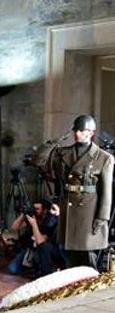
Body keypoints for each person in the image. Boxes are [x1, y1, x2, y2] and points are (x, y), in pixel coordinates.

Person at [46, 114, 114, 268]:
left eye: (82, 131)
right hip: (69, 210)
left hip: (89, 212)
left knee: (88, 259)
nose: (77, 134)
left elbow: (106, 192)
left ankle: (91, 291)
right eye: (76, 130)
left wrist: (102, 217)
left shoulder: (103, 158)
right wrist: (54, 142)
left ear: (91, 133)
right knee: (70, 259)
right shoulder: (62, 153)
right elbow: (40, 161)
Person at [7, 200, 61, 277]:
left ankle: (37, 268)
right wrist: (23, 214)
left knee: (41, 250)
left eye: (37, 209)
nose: (35, 211)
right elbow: (14, 228)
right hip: (30, 249)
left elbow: (40, 241)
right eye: (34, 208)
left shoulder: (50, 220)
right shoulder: (34, 216)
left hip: (43, 251)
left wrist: (34, 224)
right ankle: (29, 267)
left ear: (45, 210)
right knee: (12, 269)